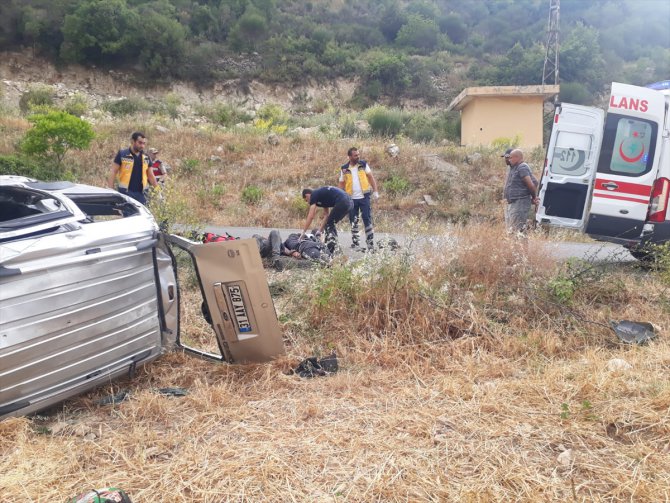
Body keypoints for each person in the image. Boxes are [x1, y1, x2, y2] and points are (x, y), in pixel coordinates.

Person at [338, 147, 379, 251]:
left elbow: (370, 177)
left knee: (367, 219)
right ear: (350, 157)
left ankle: (370, 243)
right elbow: (341, 184)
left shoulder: (363, 164)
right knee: (353, 220)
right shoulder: (344, 168)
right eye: (355, 155)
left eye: (358, 154)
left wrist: (375, 191)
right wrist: (339, 197)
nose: (358, 156)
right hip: (351, 198)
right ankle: (355, 243)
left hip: (364, 197)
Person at [108, 132, 157, 205]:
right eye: (140, 143)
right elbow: (113, 171)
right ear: (132, 141)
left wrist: (158, 191)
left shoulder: (146, 157)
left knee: (143, 216)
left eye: (144, 143)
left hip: (142, 194)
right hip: (126, 193)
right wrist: (111, 190)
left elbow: (151, 176)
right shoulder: (122, 154)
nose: (142, 146)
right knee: (129, 215)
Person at [301, 186, 353, 255]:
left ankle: (332, 249)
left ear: (307, 195)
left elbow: (311, 216)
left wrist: (303, 232)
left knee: (329, 225)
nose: (307, 202)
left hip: (343, 201)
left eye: (306, 200)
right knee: (330, 224)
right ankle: (334, 247)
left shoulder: (313, 195)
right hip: (350, 203)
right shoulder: (321, 197)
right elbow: (326, 215)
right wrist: (320, 230)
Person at [502, 148, 539, 233]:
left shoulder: (522, 167)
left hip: (520, 202)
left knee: (518, 230)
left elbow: (531, 184)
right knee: (513, 230)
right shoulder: (514, 168)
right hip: (514, 202)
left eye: (511, 157)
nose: (509, 159)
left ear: (517, 157)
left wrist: (534, 197)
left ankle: (522, 246)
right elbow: (535, 181)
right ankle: (515, 246)